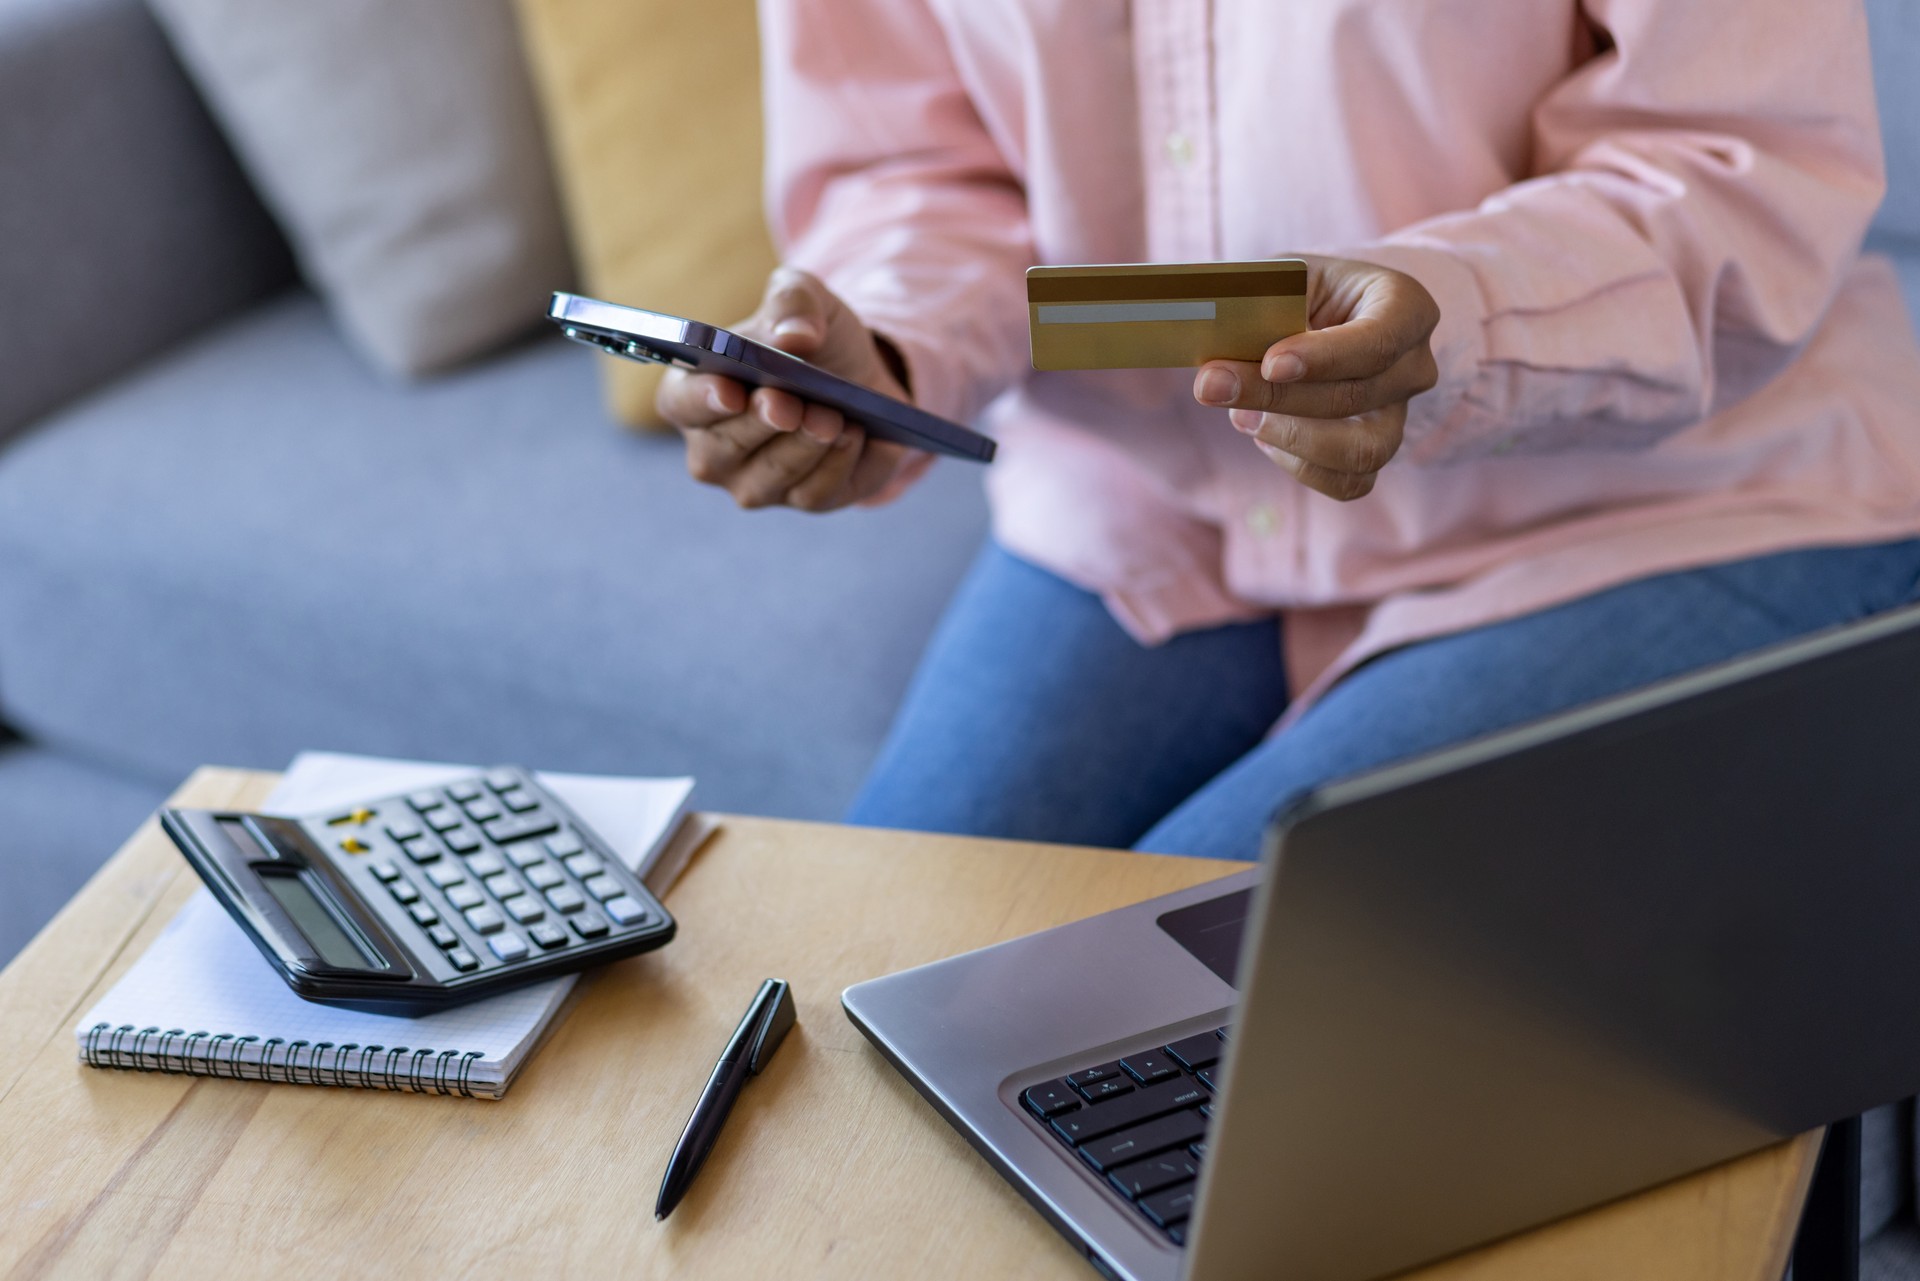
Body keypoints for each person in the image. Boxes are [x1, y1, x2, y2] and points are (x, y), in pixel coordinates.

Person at [657, 0, 1920, 861]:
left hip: (1661, 509)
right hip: (1155, 510)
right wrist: (879, 353)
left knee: (1159, 1032)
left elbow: (1740, 161)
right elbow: (915, 167)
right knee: (862, 990)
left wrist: (1460, 318)